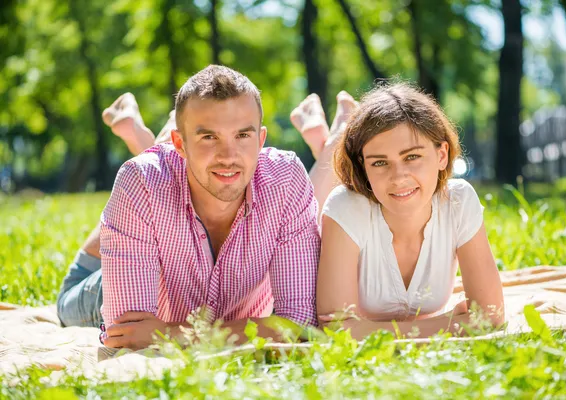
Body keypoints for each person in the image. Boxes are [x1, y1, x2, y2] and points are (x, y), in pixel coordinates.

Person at [55, 64, 357, 350]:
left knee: (185, 176)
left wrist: (169, 333)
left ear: (261, 139)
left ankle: (145, 136)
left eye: (242, 135)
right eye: (209, 137)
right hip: (105, 282)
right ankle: (149, 142)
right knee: (152, 181)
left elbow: (298, 325)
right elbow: (129, 336)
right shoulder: (142, 180)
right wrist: (257, 329)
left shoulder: (284, 177)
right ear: (181, 144)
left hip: (187, 291)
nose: (228, 154)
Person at [317, 82, 505, 340]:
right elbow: (336, 330)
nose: (398, 177)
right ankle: (333, 136)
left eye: (411, 157)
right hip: (326, 209)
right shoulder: (345, 207)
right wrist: (449, 323)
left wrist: (368, 330)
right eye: (380, 162)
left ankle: (334, 131)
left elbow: (491, 315)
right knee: (313, 200)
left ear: (441, 155)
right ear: (364, 168)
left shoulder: (458, 201)